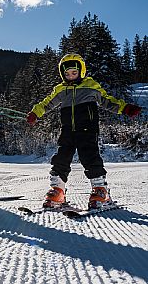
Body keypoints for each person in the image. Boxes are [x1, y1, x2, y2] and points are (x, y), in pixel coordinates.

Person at [26, 53, 142, 209]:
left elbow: (107, 100)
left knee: (90, 157)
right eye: (67, 74)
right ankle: (57, 190)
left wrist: (125, 108)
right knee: (61, 157)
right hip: (67, 130)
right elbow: (46, 103)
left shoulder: (90, 86)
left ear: (81, 71)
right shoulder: (61, 89)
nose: (71, 76)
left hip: (87, 129)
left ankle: (100, 191)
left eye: (74, 73)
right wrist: (35, 113)